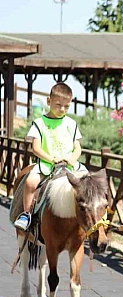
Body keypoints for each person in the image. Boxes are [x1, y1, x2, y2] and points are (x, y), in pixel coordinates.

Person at [14, 82, 86, 230]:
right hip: (47, 164)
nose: (62, 109)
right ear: (49, 101)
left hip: (69, 164)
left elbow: (78, 147)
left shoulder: (71, 124)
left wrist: (72, 158)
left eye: (66, 107)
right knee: (31, 182)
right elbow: (36, 148)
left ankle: (96, 219)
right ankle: (26, 214)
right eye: (58, 105)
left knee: (89, 182)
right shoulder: (39, 123)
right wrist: (51, 158)